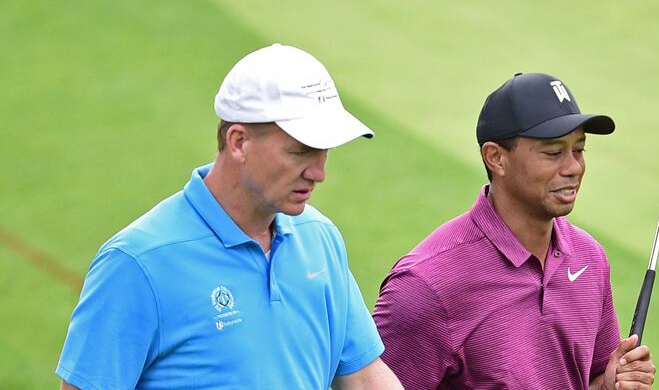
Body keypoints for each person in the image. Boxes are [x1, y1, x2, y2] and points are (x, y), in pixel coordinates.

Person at [56, 43, 403, 389]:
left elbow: (363, 378)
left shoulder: (319, 237)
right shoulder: (137, 263)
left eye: (324, 151)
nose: (318, 173)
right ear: (238, 142)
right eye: (301, 151)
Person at [373, 73, 656, 389]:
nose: (574, 167)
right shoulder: (426, 287)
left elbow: (589, 379)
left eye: (579, 150)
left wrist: (608, 385)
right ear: (496, 158)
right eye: (554, 153)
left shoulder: (589, 257)